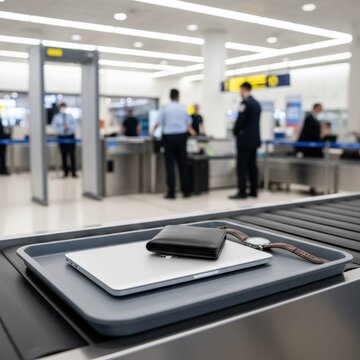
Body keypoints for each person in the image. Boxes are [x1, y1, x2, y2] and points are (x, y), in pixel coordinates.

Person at [153, 89, 196, 199]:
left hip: (169, 138)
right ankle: (186, 191)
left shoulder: (165, 108)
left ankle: (171, 192)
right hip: (182, 137)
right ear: (178, 96)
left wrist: (152, 133)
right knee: (183, 165)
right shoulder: (183, 108)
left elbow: (158, 123)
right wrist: (193, 133)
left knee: (170, 166)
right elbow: (189, 124)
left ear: (170, 96)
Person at [229, 82, 261, 200]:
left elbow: (240, 121)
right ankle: (254, 190)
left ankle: (242, 192)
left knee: (242, 166)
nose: (240, 92)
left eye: (240, 90)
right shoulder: (257, 104)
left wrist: (235, 131)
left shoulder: (245, 103)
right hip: (254, 141)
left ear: (243, 89)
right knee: (253, 166)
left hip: (244, 141)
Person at [52, 102, 78, 178]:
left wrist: (69, 127)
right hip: (62, 136)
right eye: (61, 107)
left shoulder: (70, 116)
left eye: (64, 107)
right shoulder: (56, 117)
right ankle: (65, 172)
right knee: (63, 155)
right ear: (59, 108)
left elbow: (75, 125)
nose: (63, 108)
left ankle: (73, 172)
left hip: (70, 136)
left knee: (72, 155)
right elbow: (54, 127)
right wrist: (63, 129)